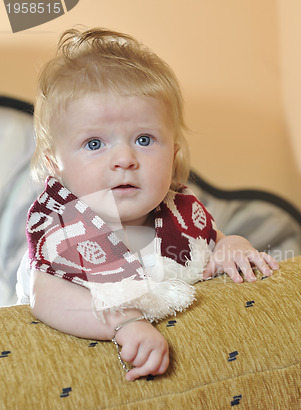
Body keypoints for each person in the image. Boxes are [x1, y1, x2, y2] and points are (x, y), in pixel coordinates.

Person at [17, 27, 279, 382]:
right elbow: (45, 298)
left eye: (144, 139)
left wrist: (232, 246)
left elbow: (212, 240)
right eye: (94, 144)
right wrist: (124, 323)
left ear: (173, 155)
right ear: (54, 165)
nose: (124, 158)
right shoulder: (62, 229)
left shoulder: (180, 215)